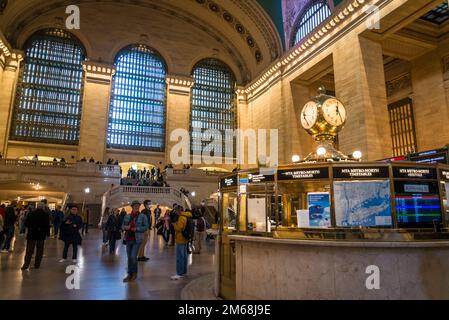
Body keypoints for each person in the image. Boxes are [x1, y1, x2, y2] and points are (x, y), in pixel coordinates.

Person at [122, 200, 149, 282]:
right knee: (129, 258)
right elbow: (122, 225)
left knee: (133, 257)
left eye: (138, 206)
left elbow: (146, 226)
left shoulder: (143, 216)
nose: (136, 207)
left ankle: (134, 274)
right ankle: (129, 274)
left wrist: (137, 229)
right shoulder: (127, 216)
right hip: (128, 238)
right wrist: (125, 227)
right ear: (132, 207)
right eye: (135, 206)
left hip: (137, 239)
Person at [21, 203, 50, 270]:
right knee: (39, 250)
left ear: (37, 207)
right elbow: (47, 226)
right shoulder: (45, 215)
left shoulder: (31, 214)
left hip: (32, 234)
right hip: (41, 235)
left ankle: (25, 265)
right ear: (43, 207)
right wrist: (47, 234)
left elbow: (26, 224)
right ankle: (37, 265)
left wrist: (32, 227)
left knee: (29, 250)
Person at [171, 207, 192, 280]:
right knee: (184, 256)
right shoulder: (187, 216)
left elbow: (179, 228)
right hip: (185, 238)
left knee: (179, 256)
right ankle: (184, 272)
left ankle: (179, 273)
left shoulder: (181, 217)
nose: (175, 213)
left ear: (179, 211)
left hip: (180, 238)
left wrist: (174, 225)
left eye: (176, 211)